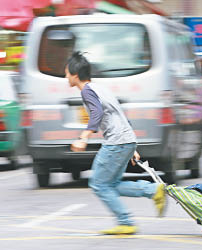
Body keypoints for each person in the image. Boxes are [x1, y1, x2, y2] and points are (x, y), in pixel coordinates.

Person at [66, 52, 166, 235]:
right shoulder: (100, 88)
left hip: (116, 142)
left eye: (66, 73)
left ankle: (125, 221)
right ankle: (153, 190)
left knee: (99, 184)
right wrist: (132, 147)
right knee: (111, 184)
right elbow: (121, 115)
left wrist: (84, 137)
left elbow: (96, 114)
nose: (66, 77)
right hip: (126, 140)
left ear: (74, 74)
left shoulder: (87, 91)